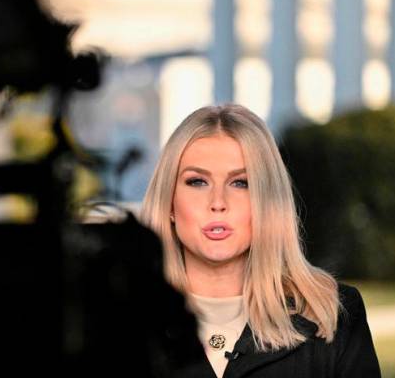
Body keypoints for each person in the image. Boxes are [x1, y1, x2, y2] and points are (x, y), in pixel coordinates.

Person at [140, 104, 381, 377]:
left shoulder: (334, 314)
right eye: (197, 182)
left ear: (267, 201)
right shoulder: (111, 319)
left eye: (241, 183)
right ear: (169, 201)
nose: (218, 203)